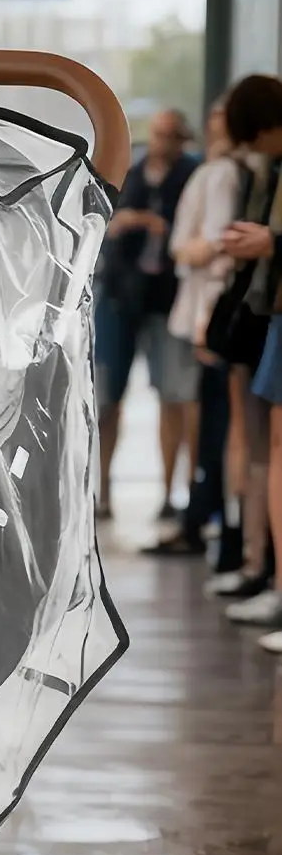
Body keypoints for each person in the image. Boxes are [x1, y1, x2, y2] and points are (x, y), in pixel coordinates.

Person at [146, 100, 245, 557]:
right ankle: (201, 517)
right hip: (199, 312)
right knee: (206, 422)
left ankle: (211, 525)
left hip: (208, 314)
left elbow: (215, 246)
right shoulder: (214, 171)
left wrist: (186, 251)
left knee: (216, 426)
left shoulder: (222, 174)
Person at [95, 108, 199, 520]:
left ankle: (172, 491)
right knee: (108, 398)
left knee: (173, 396)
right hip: (122, 295)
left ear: (181, 139)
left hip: (167, 298)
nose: (161, 142)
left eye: (170, 135)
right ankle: (102, 492)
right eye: (157, 134)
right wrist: (129, 220)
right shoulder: (130, 171)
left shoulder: (191, 177)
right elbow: (100, 219)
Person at [213, 73, 282, 634]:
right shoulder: (264, 170)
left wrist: (270, 243)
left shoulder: (266, 168)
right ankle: (260, 566)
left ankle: (266, 571)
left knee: (269, 445)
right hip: (266, 314)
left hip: (269, 314)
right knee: (261, 441)